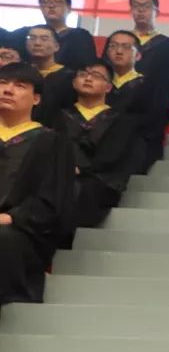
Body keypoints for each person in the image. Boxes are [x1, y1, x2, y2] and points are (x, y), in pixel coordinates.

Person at [0, 62, 75, 304]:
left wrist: (12, 217)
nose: (7, 90)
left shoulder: (51, 142)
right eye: (2, 83)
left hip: (19, 230)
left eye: (20, 85)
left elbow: (52, 199)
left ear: (36, 99)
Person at [53, 60, 137, 228]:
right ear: (74, 82)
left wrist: (81, 169)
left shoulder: (119, 120)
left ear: (108, 87)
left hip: (98, 181)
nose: (88, 78)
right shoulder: (56, 116)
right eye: (83, 74)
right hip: (59, 175)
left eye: (96, 76)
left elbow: (113, 157)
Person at [129, 0, 169, 166]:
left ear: (156, 11)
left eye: (146, 6)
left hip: (152, 113)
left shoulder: (168, 45)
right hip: (121, 109)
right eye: (136, 6)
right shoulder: (121, 42)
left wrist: (165, 112)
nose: (140, 10)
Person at [102, 30, 155, 173]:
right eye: (113, 46)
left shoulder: (148, 86)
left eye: (126, 47)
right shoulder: (98, 83)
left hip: (130, 151)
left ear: (138, 55)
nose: (119, 51)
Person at [13, 0, 97, 69]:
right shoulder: (27, 33)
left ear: (69, 8)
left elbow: (88, 65)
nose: (51, 5)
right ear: (41, 8)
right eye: (46, 2)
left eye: (58, 1)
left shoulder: (80, 36)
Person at [25, 25, 76, 125]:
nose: (37, 43)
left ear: (56, 46)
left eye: (44, 39)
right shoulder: (20, 73)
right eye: (32, 38)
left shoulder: (70, 77)